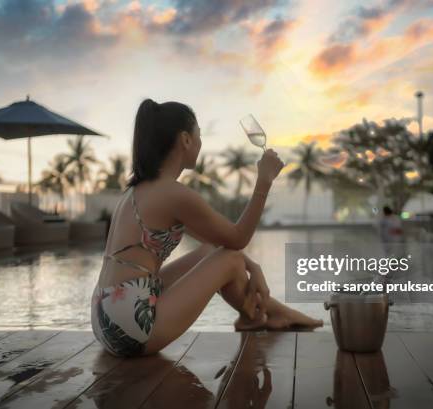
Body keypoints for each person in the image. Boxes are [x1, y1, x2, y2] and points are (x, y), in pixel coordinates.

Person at [91, 98, 323, 358]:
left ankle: (259, 315)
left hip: (105, 317)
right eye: (198, 135)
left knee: (208, 253)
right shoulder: (173, 194)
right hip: (132, 328)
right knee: (231, 259)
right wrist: (264, 181)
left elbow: (217, 245)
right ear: (186, 140)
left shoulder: (136, 191)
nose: (201, 143)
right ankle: (268, 313)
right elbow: (237, 239)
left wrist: (253, 266)